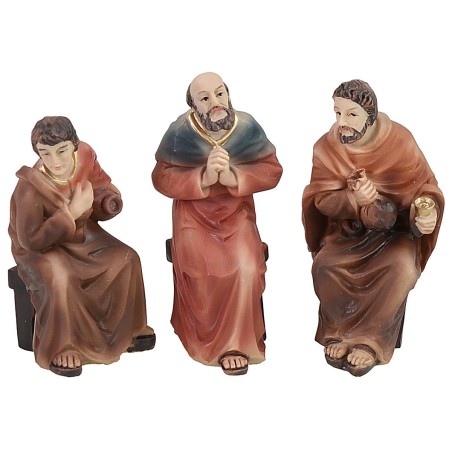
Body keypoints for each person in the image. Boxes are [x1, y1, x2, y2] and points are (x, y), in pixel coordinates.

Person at [302, 80, 444, 376]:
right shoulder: (326, 148)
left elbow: (425, 187)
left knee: (401, 267)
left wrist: (425, 213)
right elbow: (320, 200)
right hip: (348, 233)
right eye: (337, 112)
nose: (342, 121)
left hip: (395, 233)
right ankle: (339, 332)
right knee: (326, 266)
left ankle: (370, 341)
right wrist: (352, 200)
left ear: (370, 114)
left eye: (351, 114)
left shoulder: (400, 141)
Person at [152, 72, 282, 375]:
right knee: (204, 268)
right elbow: (161, 177)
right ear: (194, 105)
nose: (215, 102)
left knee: (246, 267)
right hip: (194, 217)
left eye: (220, 93)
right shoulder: (180, 133)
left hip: (236, 215)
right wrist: (205, 177)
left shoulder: (246, 127)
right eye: (205, 98)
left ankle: (237, 342)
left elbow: (272, 170)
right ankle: (206, 339)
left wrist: (234, 177)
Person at [9, 116, 155, 377]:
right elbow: (30, 240)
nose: (55, 161)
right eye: (45, 153)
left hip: (82, 235)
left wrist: (107, 201)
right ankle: (62, 344)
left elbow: (101, 186)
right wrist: (71, 213)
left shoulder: (85, 156)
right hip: (41, 247)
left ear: (74, 145)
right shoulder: (30, 188)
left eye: (62, 151)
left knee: (126, 257)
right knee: (60, 276)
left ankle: (129, 328)